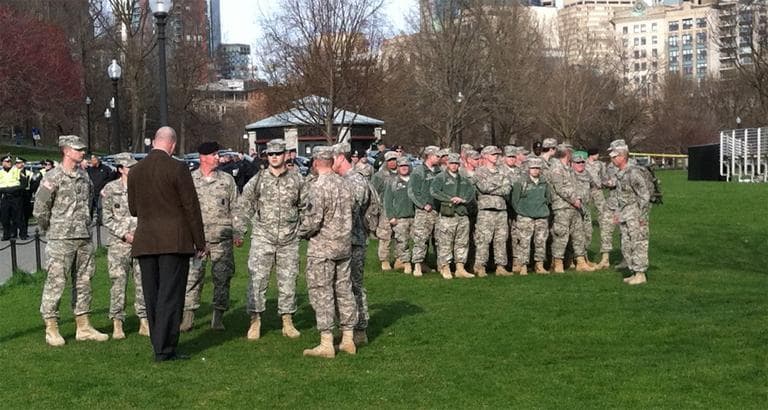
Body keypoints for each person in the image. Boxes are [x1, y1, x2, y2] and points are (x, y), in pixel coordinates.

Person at [128, 126, 206, 362]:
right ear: (172, 144)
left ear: (153, 142)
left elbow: (133, 209)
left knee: (152, 295)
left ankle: (157, 344)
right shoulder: (178, 168)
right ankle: (166, 348)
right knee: (170, 296)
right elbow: (190, 207)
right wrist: (199, 241)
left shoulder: (135, 171)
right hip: (174, 240)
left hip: (145, 240)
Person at [33, 135, 109, 346]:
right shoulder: (53, 176)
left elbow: (90, 202)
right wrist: (51, 228)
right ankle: (51, 327)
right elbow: (40, 208)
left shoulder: (84, 176)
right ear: (66, 151)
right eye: (78, 149)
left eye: (83, 149)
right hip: (61, 237)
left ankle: (83, 325)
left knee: (84, 281)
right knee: (56, 281)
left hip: (83, 236)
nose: (82, 152)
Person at [238, 139, 304, 341]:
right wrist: (239, 230)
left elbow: (307, 207)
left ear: (286, 155)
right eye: (271, 154)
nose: (274, 157)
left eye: (278, 153)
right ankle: (255, 320)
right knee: (257, 281)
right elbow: (244, 206)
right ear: (267, 156)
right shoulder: (258, 180)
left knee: (288, 281)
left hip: (289, 239)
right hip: (262, 238)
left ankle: (287, 320)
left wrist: (302, 230)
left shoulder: (297, 180)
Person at [298, 146, 357, 358]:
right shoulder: (345, 184)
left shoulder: (317, 187)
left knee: (321, 292)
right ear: (332, 161)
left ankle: (326, 342)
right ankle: (348, 337)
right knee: (344, 290)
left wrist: (299, 232)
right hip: (343, 246)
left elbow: (313, 221)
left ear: (315, 162)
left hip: (322, 248)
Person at [181, 142, 244, 332]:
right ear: (203, 157)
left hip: (222, 239)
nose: (218, 158)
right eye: (214, 155)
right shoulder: (190, 180)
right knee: (192, 278)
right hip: (197, 241)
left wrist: (238, 231)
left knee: (222, 278)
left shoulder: (227, 180)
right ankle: (188, 317)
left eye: (218, 154)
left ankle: (218, 316)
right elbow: (183, 209)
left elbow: (237, 208)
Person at [101, 152, 148, 339]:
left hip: (141, 241)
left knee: (143, 282)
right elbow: (106, 217)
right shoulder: (110, 189)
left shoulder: (144, 188)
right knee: (118, 283)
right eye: (129, 167)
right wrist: (124, 234)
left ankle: (144, 320)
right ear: (121, 169)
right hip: (118, 244)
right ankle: (117, 322)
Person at [332, 142, 371, 346]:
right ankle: (347, 328)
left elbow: (351, 209)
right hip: (342, 241)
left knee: (354, 286)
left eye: (332, 159)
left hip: (354, 241)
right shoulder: (341, 180)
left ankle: (360, 329)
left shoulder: (355, 180)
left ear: (340, 158)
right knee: (341, 287)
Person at [607, 140, 651, 285]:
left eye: (614, 156)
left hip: (635, 216)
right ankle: (633, 272)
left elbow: (644, 195)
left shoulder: (633, 173)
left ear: (622, 156)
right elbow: (621, 198)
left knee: (638, 243)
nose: (612, 159)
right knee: (627, 245)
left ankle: (640, 274)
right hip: (625, 215)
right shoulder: (621, 174)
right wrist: (618, 214)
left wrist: (642, 216)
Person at [549, 143, 594, 273]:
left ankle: (580, 262)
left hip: (573, 207)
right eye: (571, 153)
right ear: (567, 153)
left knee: (578, 235)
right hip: (562, 207)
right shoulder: (556, 168)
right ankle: (558, 263)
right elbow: (560, 188)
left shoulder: (567, 168)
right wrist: (574, 199)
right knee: (561, 236)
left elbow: (574, 186)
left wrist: (578, 199)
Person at [430, 153, 476, 279]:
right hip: (447, 215)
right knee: (445, 242)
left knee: (462, 242)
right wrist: (450, 199)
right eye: (451, 163)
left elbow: (472, 193)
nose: (454, 166)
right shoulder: (441, 177)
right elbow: (434, 191)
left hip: (462, 214)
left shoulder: (464, 179)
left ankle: (460, 267)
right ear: (447, 164)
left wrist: (463, 199)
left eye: (456, 163)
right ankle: (445, 267)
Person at [473, 145, 512, 277]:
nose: (496, 157)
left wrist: (493, 188)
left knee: (501, 239)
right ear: (485, 156)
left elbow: (507, 188)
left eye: (497, 154)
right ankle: (480, 266)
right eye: (493, 154)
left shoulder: (503, 171)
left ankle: (501, 266)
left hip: (501, 210)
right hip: (486, 211)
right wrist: (498, 186)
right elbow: (484, 187)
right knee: (483, 239)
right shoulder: (479, 172)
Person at [511, 157, 551, 275]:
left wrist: (542, 209)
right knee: (524, 242)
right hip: (525, 216)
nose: (535, 170)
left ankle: (539, 265)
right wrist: (521, 211)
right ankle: (523, 265)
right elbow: (515, 200)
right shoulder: (521, 182)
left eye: (537, 168)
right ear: (528, 169)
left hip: (541, 216)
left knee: (541, 241)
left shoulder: (544, 182)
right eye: (533, 168)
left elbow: (548, 198)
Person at [407, 146, 442, 277]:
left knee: (439, 238)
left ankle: (440, 264)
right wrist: (422, 205)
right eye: (437, 156)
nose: (439, 158)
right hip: (424, 212)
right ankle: (417, 264)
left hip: (438, 210)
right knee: (421, 239)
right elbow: (412, 191)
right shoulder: (419, 171)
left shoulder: (439, 171)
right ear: (429, 156)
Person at [383, 157, 416, 274]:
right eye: (402, 166)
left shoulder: (414, 180)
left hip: (415, 216)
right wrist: (391, 216)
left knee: (419, 241)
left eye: (406, 166)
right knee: (402, 241)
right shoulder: (392, 182)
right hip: (400, 217)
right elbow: (387, 201)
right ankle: (405, 263)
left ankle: (418, 263)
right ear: (398, 168)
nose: (404, 168)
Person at [586, 147, 614, 269]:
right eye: (596, 154)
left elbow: (603, 177)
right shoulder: (583, 163)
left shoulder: (600, 165)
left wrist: (606, 183)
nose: (598, 155)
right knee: (586, 213)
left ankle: (604, 223)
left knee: (603, 213)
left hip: (597, 190)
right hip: (587, 191)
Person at [371, 151, 399, 270]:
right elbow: (373, 193)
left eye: (394, 159)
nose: (393, 162)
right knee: (385, 236)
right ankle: (384, 260)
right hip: (384, 209)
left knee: (400, 235)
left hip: (399, 208)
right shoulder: (379, 176)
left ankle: (400, 259)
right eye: (390, 160)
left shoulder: (402, 173)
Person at [0, 155, 22, 240]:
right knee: (4, 217)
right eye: (7, 161)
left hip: (15, 195)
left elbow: (21, 183)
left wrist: (13, 189)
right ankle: (6, 234)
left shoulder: (16, 171)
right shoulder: (0, 172)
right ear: (3, 163)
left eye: (10, 161)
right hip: (4, 196)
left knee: (16, 216)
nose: (9, 163)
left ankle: (16, 233)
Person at [15, 157, 32, 239]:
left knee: (25, 214)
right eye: (17, 163)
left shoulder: (28, 172)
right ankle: (15, 232)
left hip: (26, 193)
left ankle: (24, 232)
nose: (18, 164)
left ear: (23, 164)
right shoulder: (13, 172)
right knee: (16, 214)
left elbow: (31, 183)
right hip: (16, 194)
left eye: (19, 163)